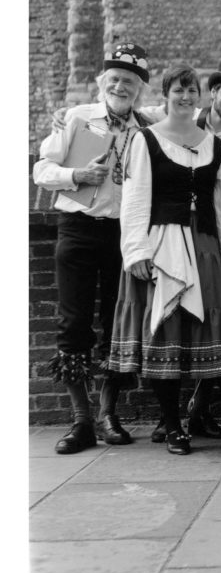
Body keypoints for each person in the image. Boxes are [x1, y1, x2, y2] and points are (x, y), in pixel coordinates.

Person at [106, 65, 221, 456]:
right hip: (163, 246)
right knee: (166, 335)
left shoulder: (214, 145)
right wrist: (136, 252)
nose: (186, 97)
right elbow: (135, 199)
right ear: (166, 94)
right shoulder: (146, 139)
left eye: (192, 91)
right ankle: (174, 428)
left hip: (205, 246)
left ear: (200, 96)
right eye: (178, 90)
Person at [33, 43, 154, 454]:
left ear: (139, 91)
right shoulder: (76, 117)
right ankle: (80, 421)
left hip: (123, 234)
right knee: (74, 324)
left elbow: (191, 120)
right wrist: (76, 174)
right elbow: (41, 170)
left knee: (116, 325)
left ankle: (108, 414)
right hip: (79, 228)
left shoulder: (146, 127)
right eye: (115, 79)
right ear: (103, 83)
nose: (122, 87)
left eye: (131, 82)